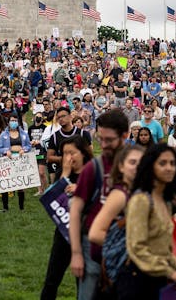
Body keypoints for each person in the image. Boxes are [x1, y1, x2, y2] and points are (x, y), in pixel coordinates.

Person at [117, 143, 176, 299]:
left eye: (172, 163)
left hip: (159, 279)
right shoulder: (141, 200)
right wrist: (171, 272)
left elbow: (163, 248)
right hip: (138, 282)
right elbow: (137, 248)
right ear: (151, 167)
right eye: (162, 163)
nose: (169, 168)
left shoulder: (164, 201)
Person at [69, 110, 126, 300]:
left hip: (127, 252)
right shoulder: (94, 167)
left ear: (124, 135)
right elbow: (75, 211)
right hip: (93, 250)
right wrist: (76, 253)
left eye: (109, 140)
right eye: (100, 139)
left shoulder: (136, 164)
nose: (103, 145)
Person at [40, 135, 95, 300]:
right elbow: (52, 200)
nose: (69, 157)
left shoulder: (92, 172)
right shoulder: (62, 174)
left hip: (85, 234)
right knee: (52, 279)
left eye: (73, 152)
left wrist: (80, 189)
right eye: (65, 153)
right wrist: (64, 173)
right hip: (64, 233)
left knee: (82, 281)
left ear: (83, 153)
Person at [0, 115, 32, 211]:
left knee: (21, 184)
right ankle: (5, 207)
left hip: (20, 161)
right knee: (6, 185)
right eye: (12, 120)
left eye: (15, 120)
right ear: (8, 122)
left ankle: (21, 207)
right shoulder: (3, 135)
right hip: (7, 161)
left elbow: (29, 146)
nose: (14, 122)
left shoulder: (24, 134)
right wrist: (6, 151)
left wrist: (24, 149)